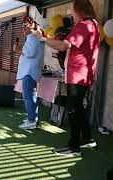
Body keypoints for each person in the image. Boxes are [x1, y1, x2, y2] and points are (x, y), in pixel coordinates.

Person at [33, 0, 100, 156]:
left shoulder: (83, 26)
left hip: (78, 75)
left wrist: (42, 38)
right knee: (80, 109)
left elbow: (63, 46)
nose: (72, 15)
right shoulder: (94, 24)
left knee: (74, 110)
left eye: (73, 12)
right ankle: (88, 139)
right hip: (85, 75)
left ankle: (74, 147)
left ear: (81, 11)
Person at [14, 16, 45, 130]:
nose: (24, 29)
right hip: (33, 71)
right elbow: (31, 52)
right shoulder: (39, 36)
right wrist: (22, 49)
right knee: (33, 97)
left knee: (28, 97)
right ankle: (33, 119)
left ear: (31, 26)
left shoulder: (32, 37)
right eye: (23, 26)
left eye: (25, 26)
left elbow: (30, 53)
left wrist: (18, 50)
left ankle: (31, 121)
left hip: (29, 71)